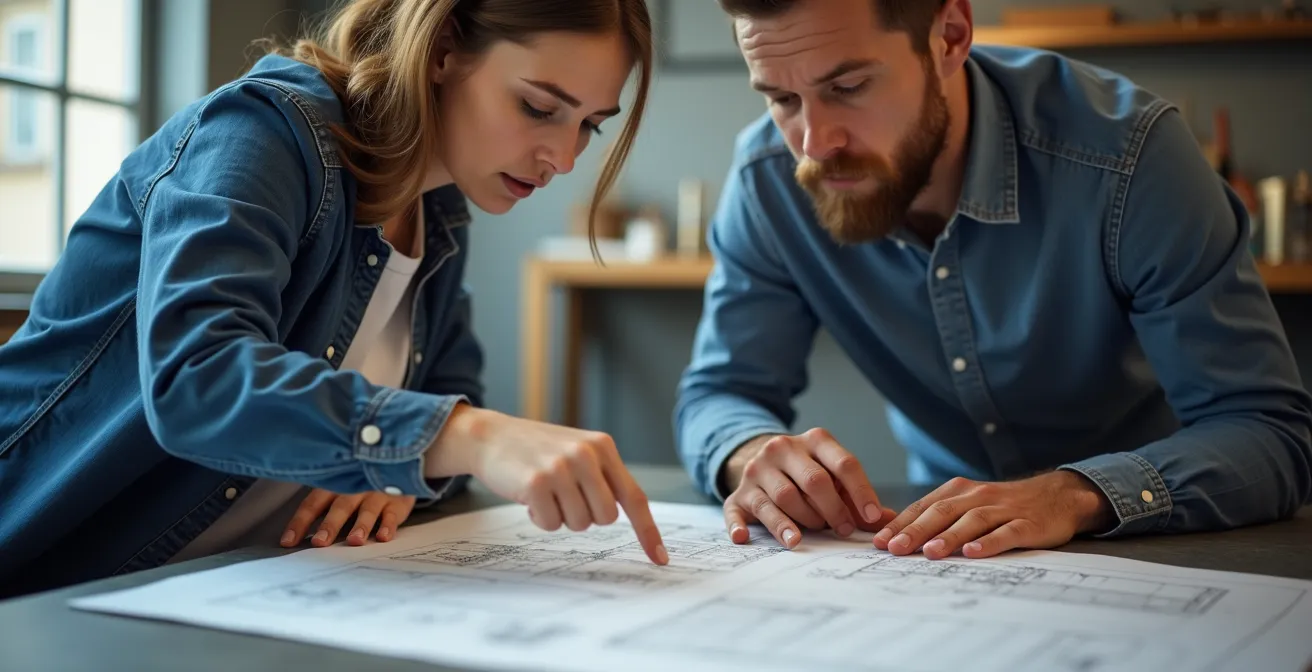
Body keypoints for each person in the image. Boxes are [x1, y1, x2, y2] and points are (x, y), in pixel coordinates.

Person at [0, 0, 668, 598]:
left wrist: (398, 476)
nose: (564, 156)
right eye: (539, 107)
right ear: (441, 48)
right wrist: (455, 436)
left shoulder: (440, 214)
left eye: (590, 125)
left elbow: (450, 389)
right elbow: (195, 379)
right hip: (52, 579)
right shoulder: (261, 132)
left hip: (217, 590)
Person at [675, 0, 1312, 560]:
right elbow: (719, 393)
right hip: (931, 554)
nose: (814, 144)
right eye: (782, 99)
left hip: (1154, 538)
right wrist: (749, 452)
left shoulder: (1130, 161)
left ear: (950, 34)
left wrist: (1076, 495)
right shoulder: (768, 182)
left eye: (848, 86)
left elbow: (1269, 433)